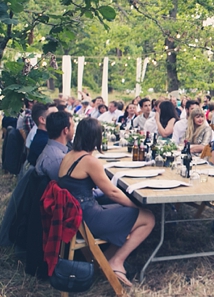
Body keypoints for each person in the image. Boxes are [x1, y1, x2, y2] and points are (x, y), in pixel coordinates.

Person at [57, 118, 155, 287]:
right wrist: (135, 206)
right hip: (88, 218)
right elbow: (113, 192)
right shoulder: (88, 160)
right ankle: (117, 261)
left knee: (121, 210)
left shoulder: (70, 155)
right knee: (148, 217)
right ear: (96, 137)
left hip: (77, 216)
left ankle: (105, 260)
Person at [35, 111, 75, 181]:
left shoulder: (51, 150)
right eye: (72, 127)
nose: (74, 130)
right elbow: (67, 187)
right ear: (65, 130)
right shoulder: (57, 159)